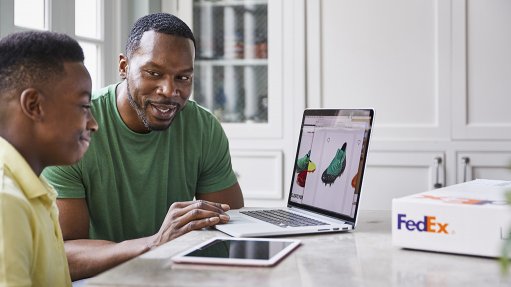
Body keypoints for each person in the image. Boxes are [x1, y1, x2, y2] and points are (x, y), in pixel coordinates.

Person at [42, 12, 244, 280]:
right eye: (154, 73)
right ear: (124, 66)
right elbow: (63, 256)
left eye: (183, 78)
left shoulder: (204, 128)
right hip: (100, 279)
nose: (169, 90)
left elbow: (230, 228)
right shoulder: (76, 128)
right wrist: (153, 244)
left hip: (173, 274)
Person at [0, 31, 98, 286]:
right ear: (34, 105)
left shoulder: (35, 191)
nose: (94, 124)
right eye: (84, 106)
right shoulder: (6, 201)